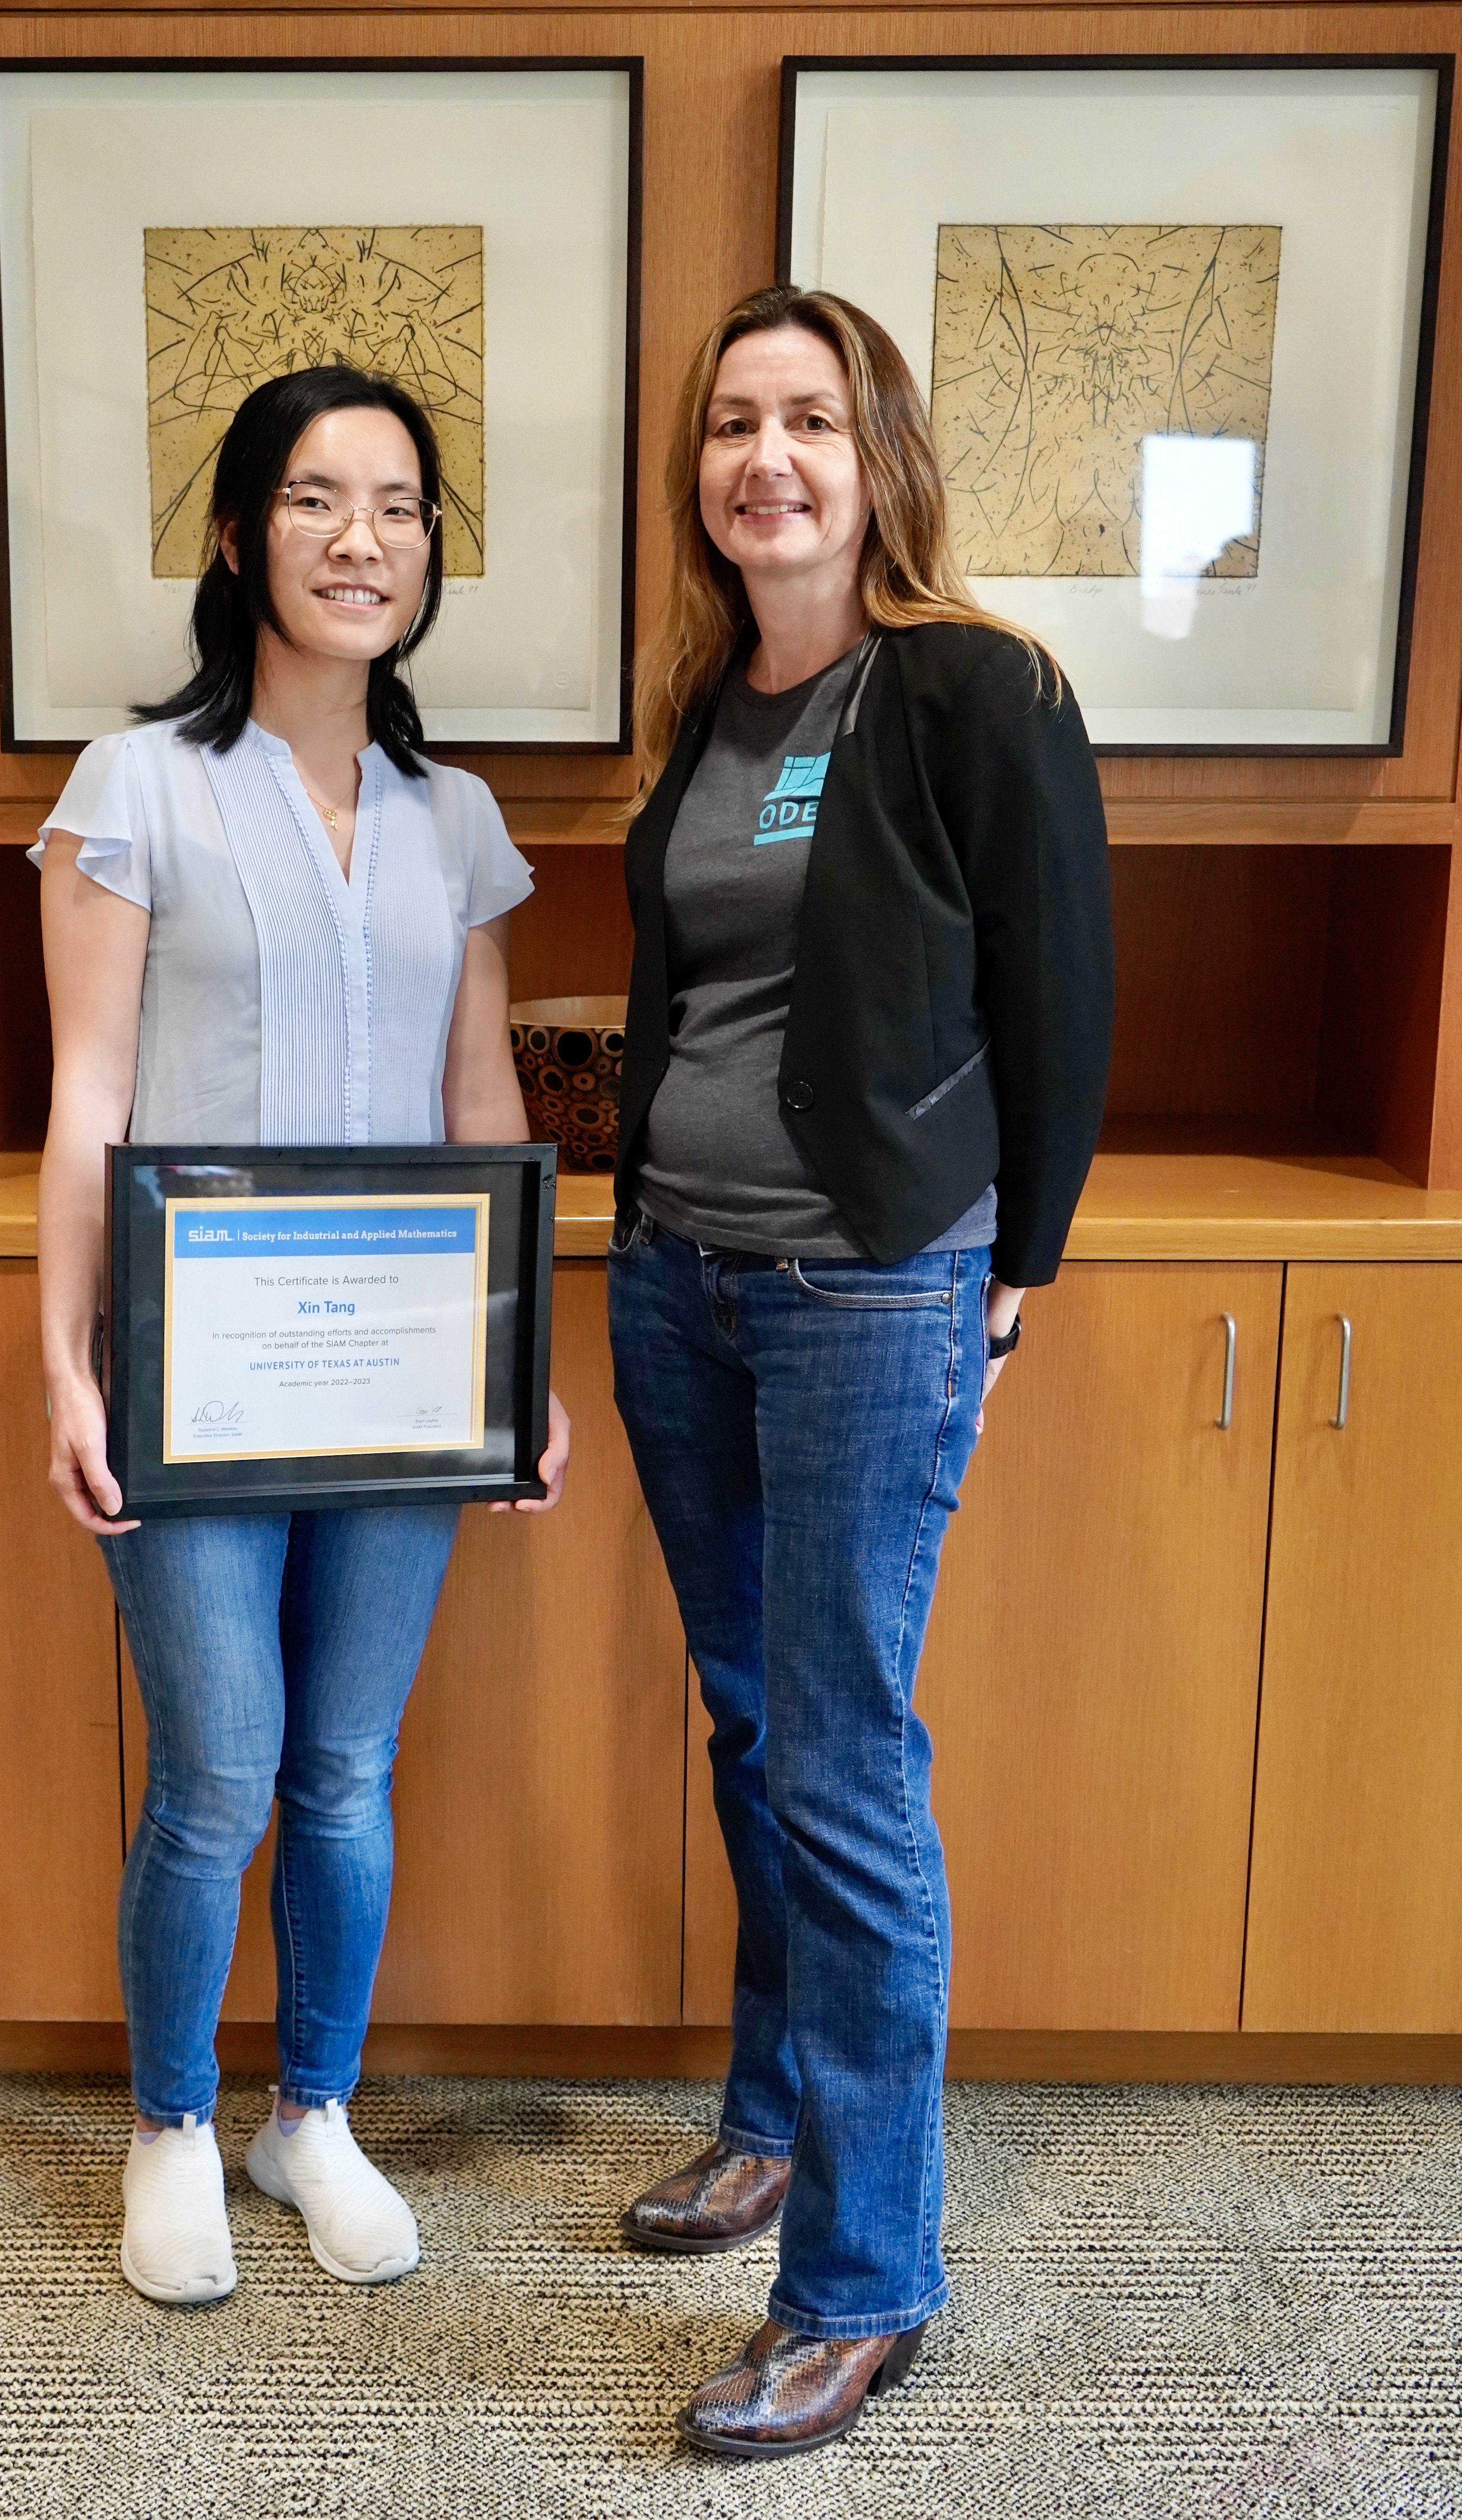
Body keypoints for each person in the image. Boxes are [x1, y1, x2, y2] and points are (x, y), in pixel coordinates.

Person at [607, 284, 1113, 2458]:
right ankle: (773, 2118)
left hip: (867, 1296)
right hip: (674, 1284)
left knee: (840, 1761)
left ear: (874, 453)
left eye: (808, 418)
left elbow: (1061, 986)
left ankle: (866, 2276)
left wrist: (1019, 1269)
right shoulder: (706, 700)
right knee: (753, 1724)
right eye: (733, 424)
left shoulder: (973, 686)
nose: (766, 459)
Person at [32, 365, 568, 2309]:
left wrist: (525, 1374)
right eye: (322, 499)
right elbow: (90, 1091)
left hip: (411, 1369)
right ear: (245, 531)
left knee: (346, 1763)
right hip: (199, 1370)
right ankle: (174, 2117)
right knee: (220, 1771)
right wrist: (70, 1368)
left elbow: (483, 1099)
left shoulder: (457, 813)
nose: (366, 538)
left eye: (402, 505)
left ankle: (307, 2106)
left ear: (431, 549)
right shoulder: (137, 788)